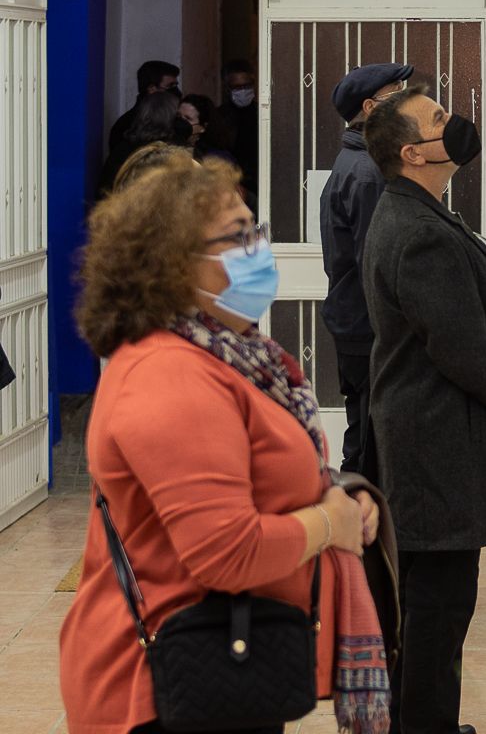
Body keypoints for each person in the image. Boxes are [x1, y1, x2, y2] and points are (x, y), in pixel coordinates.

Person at [61, 158, 394, 734]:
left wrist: (341, 503)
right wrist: (325, 524)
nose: (257, 252)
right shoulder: (170, 376)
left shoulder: (226, 356)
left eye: (255, 233)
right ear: (169, 262)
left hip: (224, 661)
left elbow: (259, 479)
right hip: (162, 685)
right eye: (237, 239)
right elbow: (226, 552)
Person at [361, 85, 486, 734]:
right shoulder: (417, 232)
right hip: (435, 445)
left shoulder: (417, 210)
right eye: (440, 119)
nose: (456, 123)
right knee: (438, 613)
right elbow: (462, 346)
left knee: (430, 610)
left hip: (426, 441)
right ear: (413, 152)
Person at [320, 62, 414, 474]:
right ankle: (360, 528)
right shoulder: (368, 175)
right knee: (371, 444)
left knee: (368, 434)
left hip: (359, 323)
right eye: (399, 94)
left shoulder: (361, 164)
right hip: (369, 327)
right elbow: (376, 262)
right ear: (372, 107)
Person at [95, 93, 191, 202]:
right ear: (171, 119)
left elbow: (105, 193)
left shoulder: (122, 150)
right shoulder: (177, 151)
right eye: (178, 116)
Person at [108, 60, 181, 154]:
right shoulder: (128, 124)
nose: (176, 92)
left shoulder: (175, 117)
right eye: (170, 86)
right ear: (152, 89)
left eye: (175, 85)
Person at [219, 58, 259, 199]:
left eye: (247, 86)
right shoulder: (219, 117)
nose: (243, 91)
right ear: (227, 87)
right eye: (237, 87)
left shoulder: (262, 115)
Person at [181, 93, 237, 163]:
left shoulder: (218, 159)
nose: (180, 121)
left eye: (188, 118)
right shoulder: (170, 149)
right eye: (178, 116)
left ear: (203, 127)